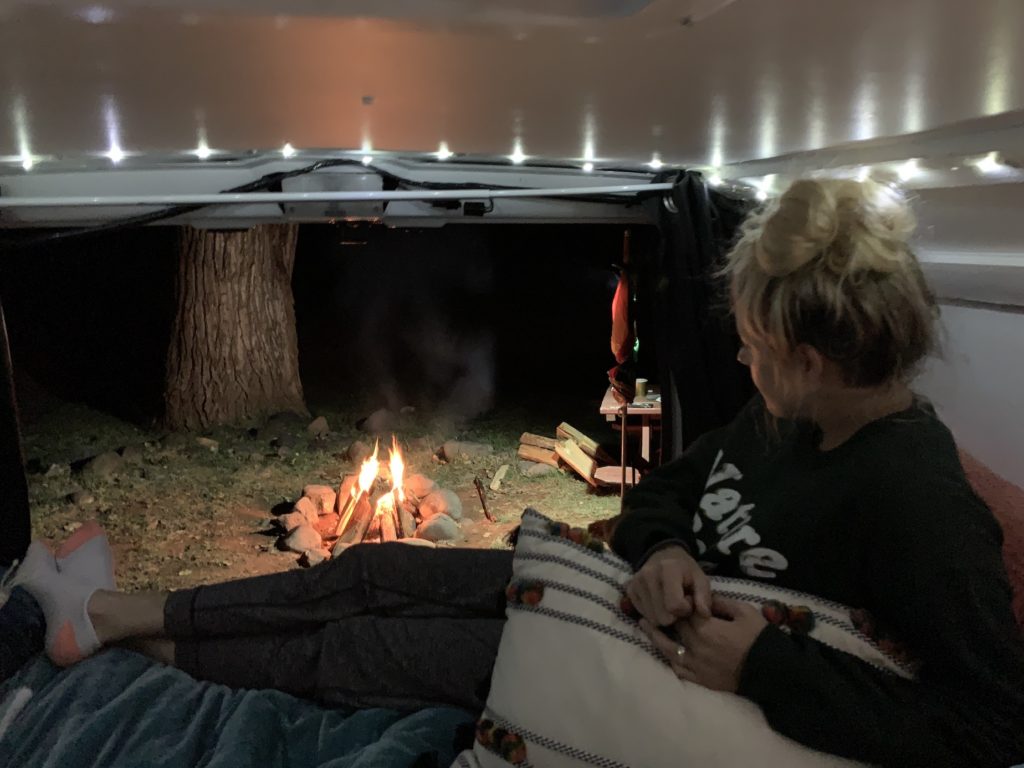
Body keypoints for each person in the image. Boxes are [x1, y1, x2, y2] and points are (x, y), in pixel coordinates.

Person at [13, 178, 1024, 767]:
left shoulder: (916, 502)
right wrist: (662, 541)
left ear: (814, 359)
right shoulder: (780, 419)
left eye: (757, 346)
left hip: (605, 661)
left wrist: (763, 668)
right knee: (372, 574)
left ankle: (110, 651)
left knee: (360, 655)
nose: (745, 362)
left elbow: (988, 725)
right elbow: (672, 489)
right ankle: (111, 613)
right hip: (593, 587)